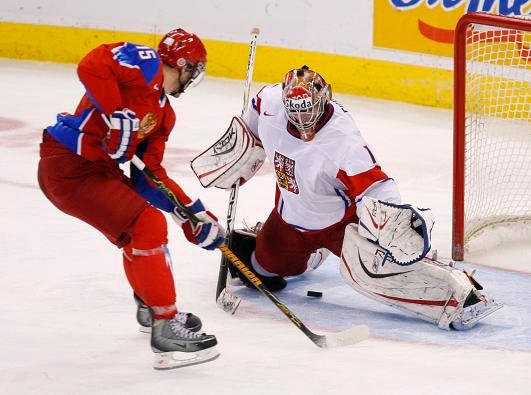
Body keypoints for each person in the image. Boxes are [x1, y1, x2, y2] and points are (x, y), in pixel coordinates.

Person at [192, 65, 501, 330]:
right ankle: (308, 254)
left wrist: (399, 217)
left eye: (309, 113)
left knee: (376, 273)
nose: (304, 125)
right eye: (296, 114)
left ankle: (459, 293)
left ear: (324, 99)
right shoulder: (270, 102)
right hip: (290, 219)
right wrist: (242, 149)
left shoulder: (341, 139)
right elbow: (254, 116)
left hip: (341, 224)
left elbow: (376, 185)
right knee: (261, 267)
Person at [37, 28, 224, 369]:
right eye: (194, 68)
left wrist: (190, 213)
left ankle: (154, 308)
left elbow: (148, 176)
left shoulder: (164, 115)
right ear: (182, 65)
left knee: (138, 231)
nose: (194, 77)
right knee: (147, 223)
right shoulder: (145, 64)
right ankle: (166, 327)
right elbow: (91, 64)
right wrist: (115, 112)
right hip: (68, 164)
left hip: (96, 173)